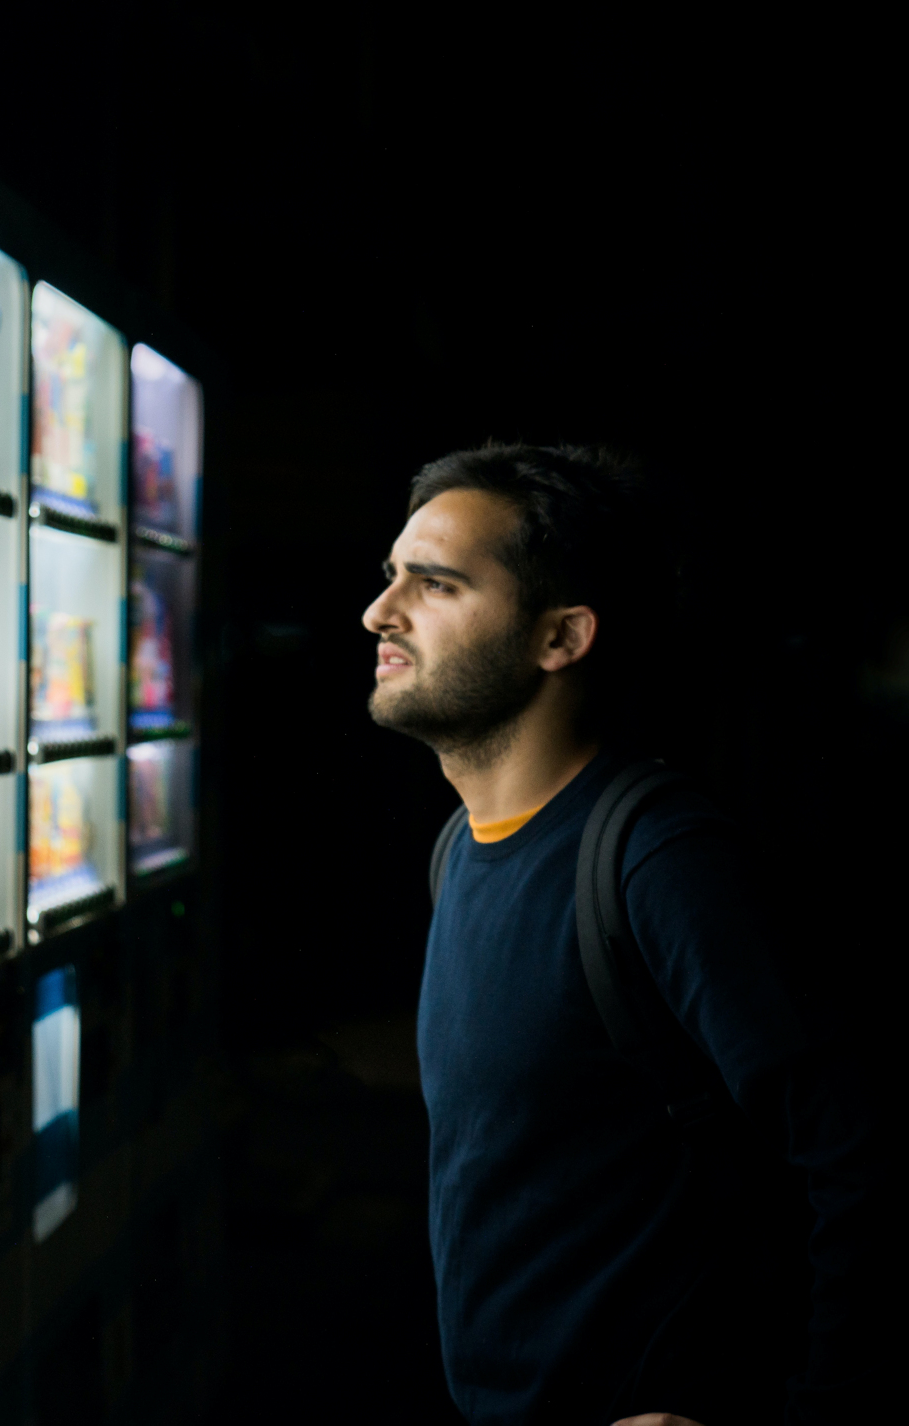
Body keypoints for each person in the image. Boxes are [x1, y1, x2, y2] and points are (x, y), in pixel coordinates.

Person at [360, 444, 874, 1425]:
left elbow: (854, 1159)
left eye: (435, 583)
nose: (380, 613)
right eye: (391, 578)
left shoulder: (659, 858)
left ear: (562, 637)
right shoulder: (459, 850)